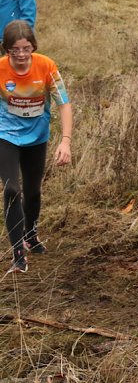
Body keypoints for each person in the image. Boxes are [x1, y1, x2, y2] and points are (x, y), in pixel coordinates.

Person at [0, 20, 72, 273]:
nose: (20, 55)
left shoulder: (46, 66)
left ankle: (30, 235)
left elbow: (64, 103)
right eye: (14, 50)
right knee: (11, 190)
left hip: (37, 137)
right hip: (5, 135)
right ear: (6, 50)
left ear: (33, 47)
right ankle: (17, 254)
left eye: (25, 48)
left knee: (32, 191)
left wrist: (65, 141)